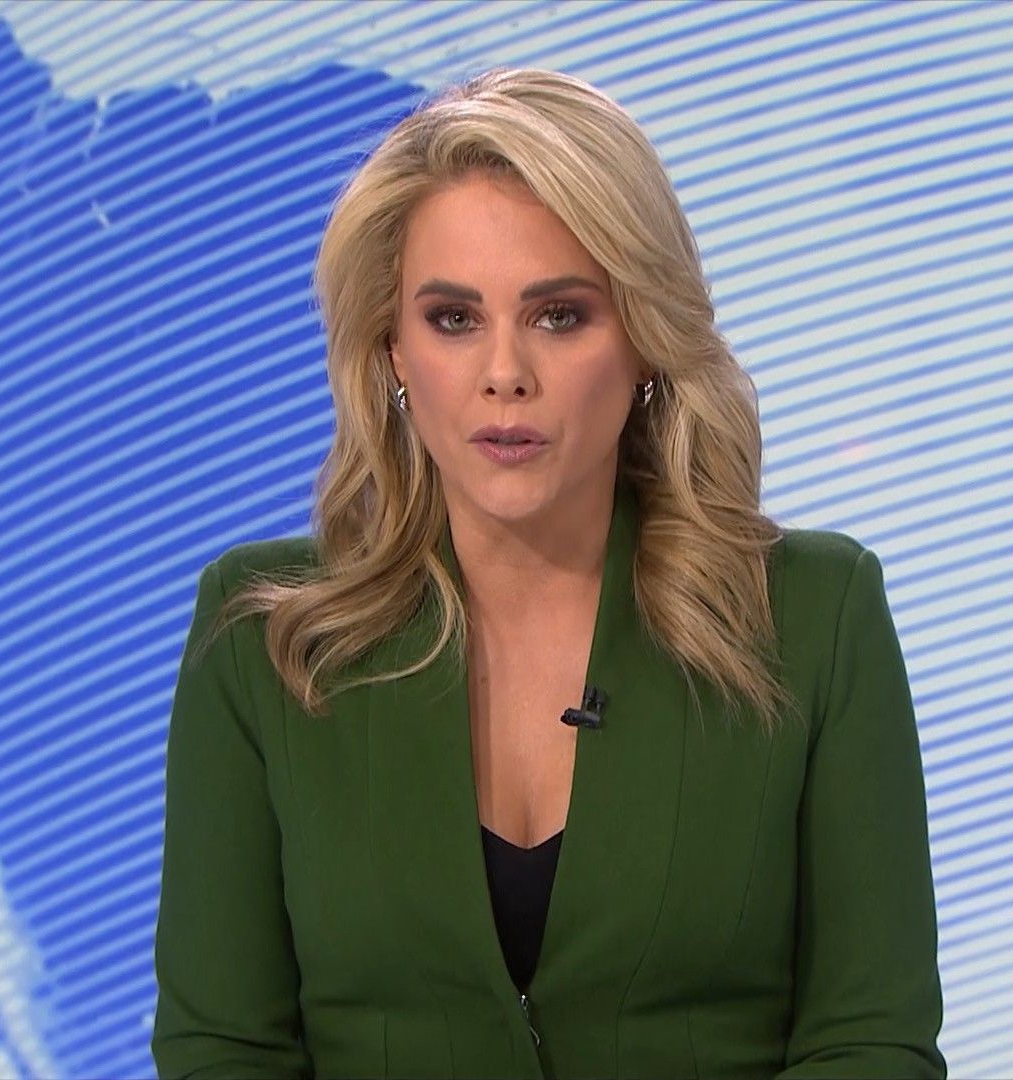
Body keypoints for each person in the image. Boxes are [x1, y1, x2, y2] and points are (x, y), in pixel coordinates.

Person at [150, 66, 946, 1080]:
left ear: (645, 338)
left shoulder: (813, 617)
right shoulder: (261, 637)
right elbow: (223, 1051)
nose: (505, 374)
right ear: (392, 351)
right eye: (453, 319)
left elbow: (870, 1044)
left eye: (559, 315)